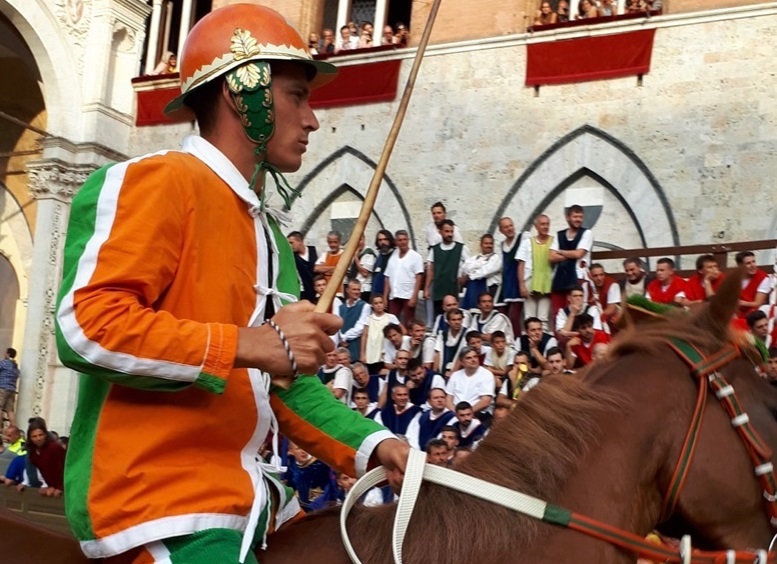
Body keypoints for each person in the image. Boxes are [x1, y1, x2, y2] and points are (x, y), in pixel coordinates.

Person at [54, 6, 407, 562]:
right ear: (242, 94)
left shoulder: (269, 236)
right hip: (162, 505)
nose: (312, 119)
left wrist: (376, 445)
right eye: (296, 95)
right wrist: (249, 344)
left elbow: (285, 387)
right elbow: (85, 327)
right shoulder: (156, 181)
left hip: (256, 507)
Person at [550, 205, 593, 321]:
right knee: (557, 313)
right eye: (575, 216)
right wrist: (571, 255)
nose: (578, 219)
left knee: (577, 312)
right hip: (559, 278)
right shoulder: (559, 235)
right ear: (568, 217)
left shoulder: (587, 233)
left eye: (580, 217)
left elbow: (579, 254)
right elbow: (551, 257)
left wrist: (561, 252)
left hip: (577, 278)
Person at [517, 214, 554, 331]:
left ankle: (542, 346)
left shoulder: (554, 241)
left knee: (543, 318)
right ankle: (529, 346)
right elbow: (521, 265)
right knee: (529, 317)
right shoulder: (527, 242)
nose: (545, 227)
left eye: (547, 224)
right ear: (536, 226)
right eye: (542, 224)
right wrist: (522, 285)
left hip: (547, 283)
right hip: (530, 281)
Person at [425, 220, 469, 315]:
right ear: (440, 232)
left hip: (453, 288)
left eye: (451, 231)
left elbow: (469, 264)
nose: (450, 234)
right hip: (438, 289)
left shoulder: (461, 248)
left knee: (454, 316)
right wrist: (427, 288)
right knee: (438, 317)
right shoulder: (434, 249)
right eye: (447, 231)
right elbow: (431, 270)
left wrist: (464, 277)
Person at [384, 230, 424, 324]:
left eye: (404, 239)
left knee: (409, 323)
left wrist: (414, 297)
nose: (403, 242)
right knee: (392, 323)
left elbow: (419, 277)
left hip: (408, 295)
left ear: (408, 240)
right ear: (396, 242)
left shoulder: (416, 257)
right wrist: (385, 297)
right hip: (394, 295)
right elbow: (388, 277)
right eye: (400, 240)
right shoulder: (393, 256)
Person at [22, 417, 65, 497]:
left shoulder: (54, 447)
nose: (38, 438)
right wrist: (48, 485)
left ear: (45, 434)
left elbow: (63, 468)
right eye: (34, 436)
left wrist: (60, 487)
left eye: (40, 435)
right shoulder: (32, 452)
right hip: (50, 487)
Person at [460, 234, 502, 312]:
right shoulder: (474, 258)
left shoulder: (497, 258)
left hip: (491, 290)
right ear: (481, 245)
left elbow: (486, 271)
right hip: (473, 290)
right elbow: (465, 268)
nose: (489, 245)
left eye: (491, 243)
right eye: (486, 243)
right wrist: (480, 264)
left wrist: (469, 276)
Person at [360, 294, 400, 374]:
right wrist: (362, 354)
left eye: (380, 303)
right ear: (372, 305)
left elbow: (401, 331)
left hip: (384, 351)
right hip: (371, 352)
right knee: (372, 374)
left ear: (384, 304)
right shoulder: (369, 318)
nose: (379, 305)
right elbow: (364, 335)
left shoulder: (391, 317)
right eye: (376, 303)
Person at [338, 279, 371, 362]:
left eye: (358, 289)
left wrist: (344, 337)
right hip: (341, 346)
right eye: (354, 289)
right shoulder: (341, 307)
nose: (357, 292)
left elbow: (360, 327)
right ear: (347, 290)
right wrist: (341, 339)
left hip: (355, 346)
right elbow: (337, 325)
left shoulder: (365, 306)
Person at [736, 251, 770, 318]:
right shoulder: (735, 278)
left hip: (755, 311)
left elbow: (758, 303)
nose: (753, 265)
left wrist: (740, 303)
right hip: (737, 310)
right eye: (748, 263)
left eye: (754, 261)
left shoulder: (763, 278)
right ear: (740, 265)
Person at [287, 231, 318, 302]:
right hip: (305, 293)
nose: (290, 246)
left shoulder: (313, 250)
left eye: (291, 243)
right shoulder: (293, 258)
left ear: (299, 241)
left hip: (318, 290)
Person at [0, 347, 20, 427]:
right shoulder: (15, 366)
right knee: (10, 410)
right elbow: (18, 374)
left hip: (2, 388)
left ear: (8, 354)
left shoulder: (4, 363)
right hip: (12, 390)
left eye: (5, 352)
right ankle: (13, 427)